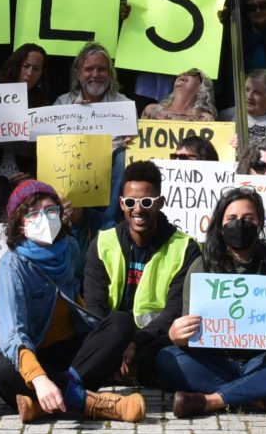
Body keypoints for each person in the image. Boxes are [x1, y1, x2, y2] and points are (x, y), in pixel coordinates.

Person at [149, 184, 266, 418]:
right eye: (231, 218)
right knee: (166, 359)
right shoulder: (202, 267)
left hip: (263, 361)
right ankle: (262, 399)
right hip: (215, 360)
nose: (239, 224)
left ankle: (211, 400)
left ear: (260, 223)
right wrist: (177, 337)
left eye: (248, 218)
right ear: (220, 225)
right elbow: (191, 332)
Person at [0, 179, 145, 424]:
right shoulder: (11, 267)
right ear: (19, 225)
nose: (45, 219)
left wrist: (110, 346)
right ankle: (92, 403)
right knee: (3, 369)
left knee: (121, 323)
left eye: (51, 211)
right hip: (34, 353)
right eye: (33, 214)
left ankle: (45, 404)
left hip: (68, 352)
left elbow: (75, 299)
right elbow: (12, 337)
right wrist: (40, 379)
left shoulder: (69, 248)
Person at [78, 161, 199, 390]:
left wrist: (135, 342)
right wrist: (114, 346)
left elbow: (175, 310)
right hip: (111, 336)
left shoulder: (185, 247)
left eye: (146, 202)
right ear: (121, 203)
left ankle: (122, 371)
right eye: (131, 202)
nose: (138, 209)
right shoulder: (102, 243)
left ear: (160, 203)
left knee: (164, 356)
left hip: (155, 338)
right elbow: (94, 306)